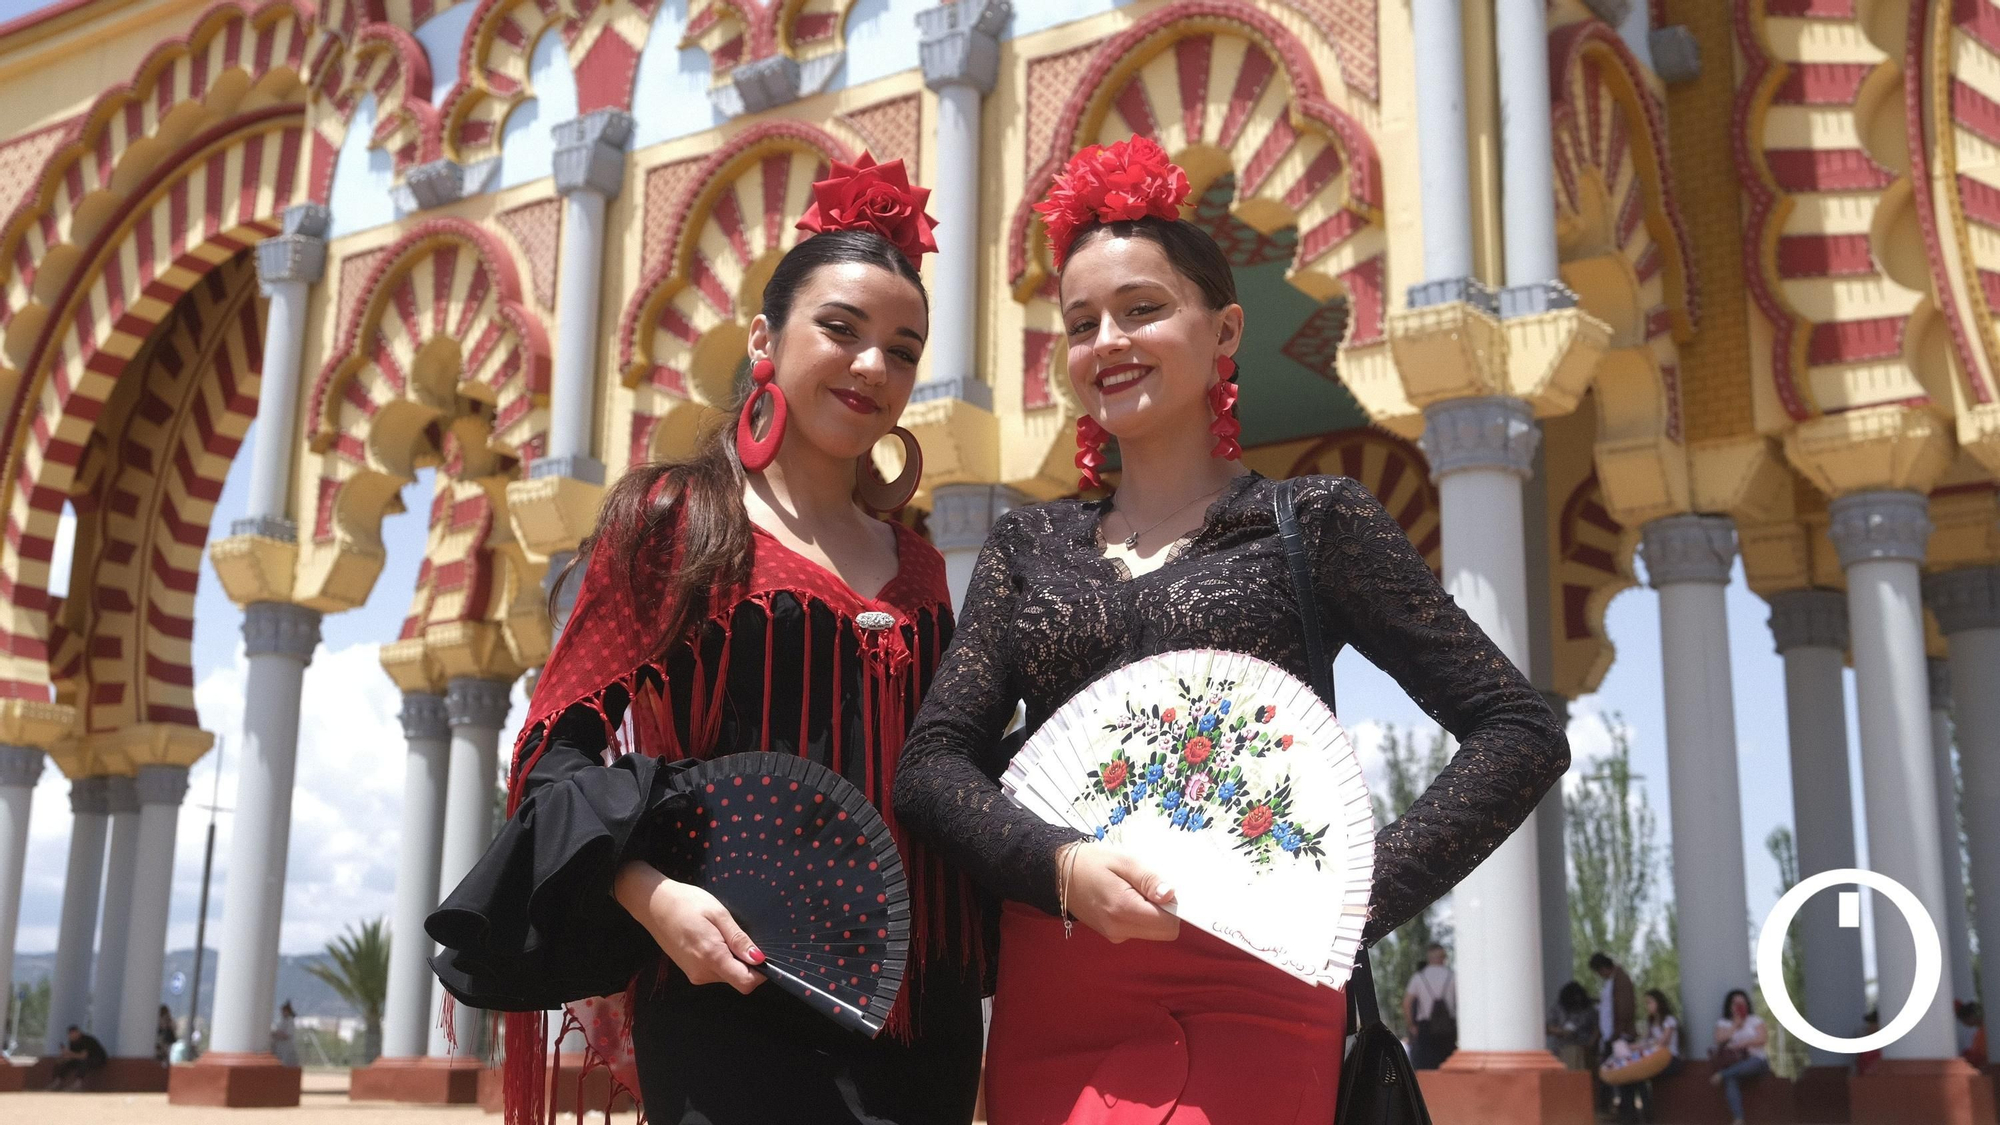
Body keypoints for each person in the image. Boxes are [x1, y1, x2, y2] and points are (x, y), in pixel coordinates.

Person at [893, 136, 1570, 1125]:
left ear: (1224, 331)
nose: (1106, 342)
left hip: (1257, 988)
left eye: (1141, 309)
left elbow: (1518, 730)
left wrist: (1346, 898)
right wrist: (1057, 866)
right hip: (1057, 985)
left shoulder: (1315, 522)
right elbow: (931, 766)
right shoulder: (1026, 545)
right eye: (1080, 324)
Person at [428, 156, 986, 1125]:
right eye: (841, 331)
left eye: (903, 350)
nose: (871, 369)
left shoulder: (921, 565)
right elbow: (548, 756)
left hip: (923, 1029)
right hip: (731, 996)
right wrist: (647, 895)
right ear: (765, 338)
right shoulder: (676, 524)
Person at [1602, 989, 1681, 1124]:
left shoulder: (1669, 1020)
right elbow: (1644, 1041)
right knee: (1630, 1076)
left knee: (1640, 1076)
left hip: (1670, 1059)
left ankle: (1645, 1115)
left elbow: (1662, 1042)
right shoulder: (1651, 1022)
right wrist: (1631, 1046)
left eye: (1649, 1002)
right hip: (1654, 1059)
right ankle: (1630, 1113)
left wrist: (1643, 1045)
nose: (1647, 1006)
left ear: (1659, 1003)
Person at [1709, 989, 1769, 1125]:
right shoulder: (1723, 1023)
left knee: (1753, 1062)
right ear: (1729, 1006)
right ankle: (1738, 1118)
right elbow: (1718, 1039)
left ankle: (1721, 1074)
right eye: (1736, 1003)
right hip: (1735, 1063)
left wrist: (1744, 1043)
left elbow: (1763, 1039)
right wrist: (1735, 1026)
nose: (1739, 1006)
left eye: (1742, 1003)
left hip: (1756, 1061)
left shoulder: (1755, 1020)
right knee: (1731, 1079)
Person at [1589, 952, 1637, 1114]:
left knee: (1623, 1075)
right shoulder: (1613, 981)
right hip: (1613, 1035)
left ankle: (1627, 1112)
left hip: (1619, 1036)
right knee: (1617, 1075)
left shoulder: (1621, 981)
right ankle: (1622, 1111)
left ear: (1603, 968)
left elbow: (1625, 1008)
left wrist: (1617, 1032)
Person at [1403, 943, 1457, 1069]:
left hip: (1425, 1026)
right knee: (1447, 1064)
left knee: (1427, 1066)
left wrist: (1411, 1025)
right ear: (1443, 957)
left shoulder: (1419, 977)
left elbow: (1406, 1003)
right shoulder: (1452, 975)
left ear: (1429, 958)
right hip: (1448, 1025)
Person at [1546, 981, 1600, 1070]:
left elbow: (1596, 1028)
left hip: (1583, 1048)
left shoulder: (1588, 1009)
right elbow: (1547, 1028)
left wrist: (1590, 1045)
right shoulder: (1557, 1008)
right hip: (1561, 1049)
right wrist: (1560, 1031)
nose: (1577, 1001)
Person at [47, 1025, 106, 1090]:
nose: (71, 1036)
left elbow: (83, 1056)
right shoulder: (72, 1042)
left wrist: (69, 1053)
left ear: (78, 1033)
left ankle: (78, 1084)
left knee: (83, 1062)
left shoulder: (86, 1040)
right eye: (70, 1034)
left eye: (73, 1033)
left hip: (97, 1058)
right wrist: (63, 1058)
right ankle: (57, 1082)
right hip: (82, 1059)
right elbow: (74, 1056)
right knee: (67, 1064)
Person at [1958, 1001, 1988, 1068]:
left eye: (1964, 1020)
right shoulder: (1980, 1032)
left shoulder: (1986, 1031)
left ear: (1971, 1016)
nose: (1964, 1023)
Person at [271, 1000, 298, 1067]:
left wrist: (278, 1034)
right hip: (280, 1046)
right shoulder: (282, 1020)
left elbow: (287, 1034)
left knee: (285, 1063)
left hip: (286, 1047)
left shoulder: (290, 1021)